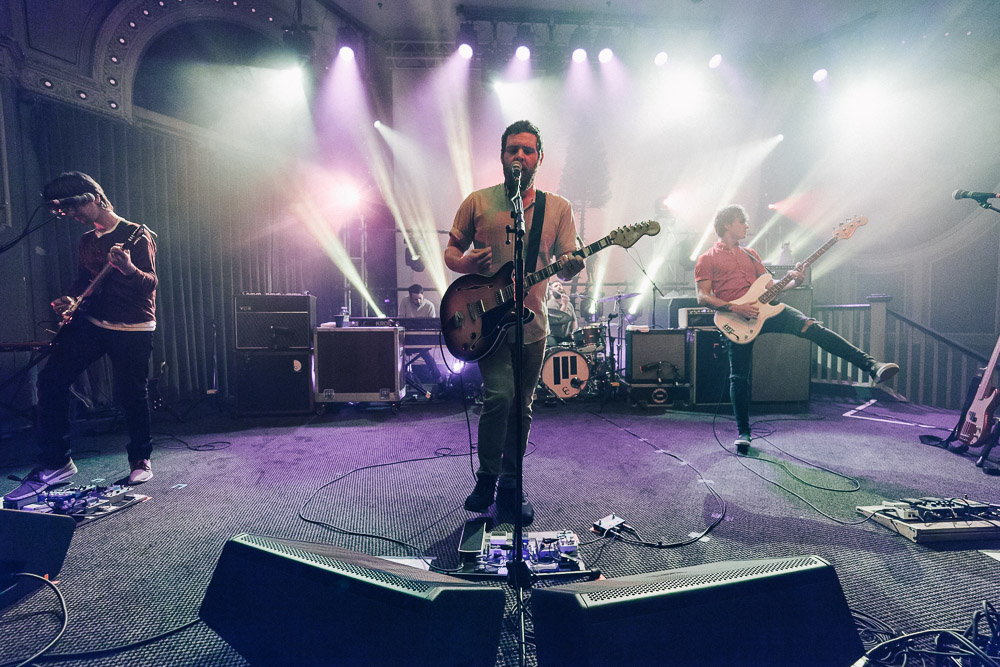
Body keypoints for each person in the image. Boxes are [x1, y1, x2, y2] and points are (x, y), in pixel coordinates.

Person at [444, 120, 584, 525]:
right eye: (512, 150)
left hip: (532, 323)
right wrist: (466, 262)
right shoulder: (478, 201)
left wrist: (573, 266)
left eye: (527, 150)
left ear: (539, 157)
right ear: (502, 156)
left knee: (521, 407)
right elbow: (451, 252)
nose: (519, 156)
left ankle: (511, 482)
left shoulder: (557, 208)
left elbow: (566, 264)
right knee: (500, 396)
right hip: (487, 323)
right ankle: (487, 476)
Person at [4, 172, 158, 504]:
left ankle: (140, 458)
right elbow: (83, 280)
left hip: (133, 326)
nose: (72, 215)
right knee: (51, 379)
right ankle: (57, 461)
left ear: (95, 198)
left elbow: (150, 284)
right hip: (93, 322)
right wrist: (70, 299)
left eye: (75, 207)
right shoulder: (87, 240)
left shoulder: (136, 235)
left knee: (132, 392)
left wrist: (129, 269)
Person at [695, 204, 898, 454]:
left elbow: (768, 287)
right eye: (741, 221)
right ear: (727, 224)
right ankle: (744, 433)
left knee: (814, 328)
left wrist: (794, 281)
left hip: (770, 310)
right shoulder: (707, 258)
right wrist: (735, 308)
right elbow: (702, 297)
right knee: (738, 376)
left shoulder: (751, 254)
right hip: (736, 319)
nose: (747, 226)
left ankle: (872, 366)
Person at [398, 284, 441, 383]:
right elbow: (401, 319)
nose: (418, 301)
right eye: (415, 299)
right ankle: (399, 382)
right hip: (406, 337)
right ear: (410, 297)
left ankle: (439, 381)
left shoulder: (429, 305)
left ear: (423, 295)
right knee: (397, 355)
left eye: (420, 298)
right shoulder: (405, 301)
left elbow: (432, 325)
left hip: (421, 338)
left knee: (426, 355)